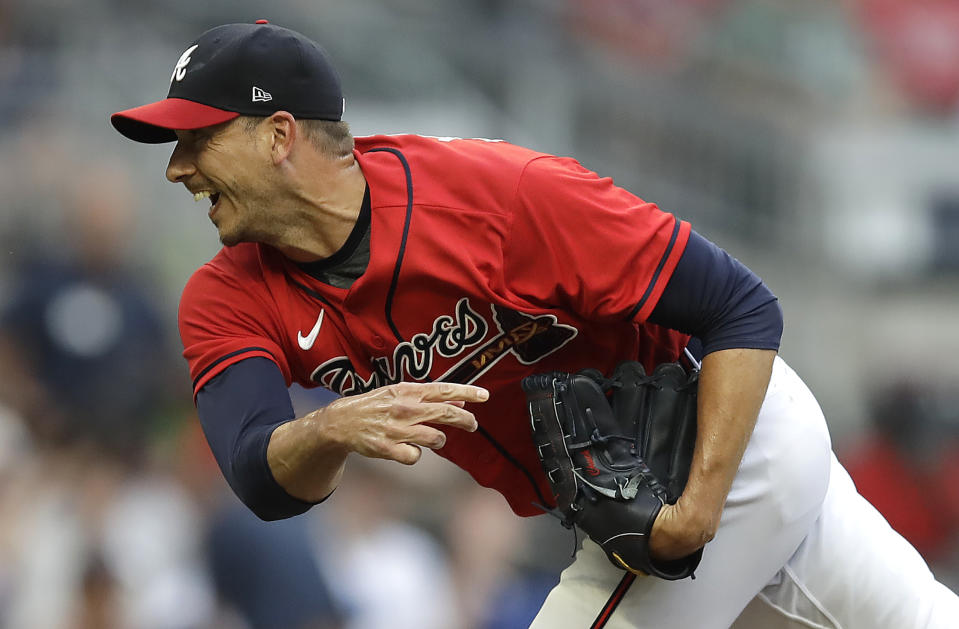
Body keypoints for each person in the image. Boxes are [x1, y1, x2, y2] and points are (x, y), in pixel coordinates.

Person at [110, 21, 959, 628]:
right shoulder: (226, 296)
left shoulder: (496, 194)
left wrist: (700, 506)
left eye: (197, 138)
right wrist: (329, 426)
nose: (179, 166)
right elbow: (260, 476)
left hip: (724, 447)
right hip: (638, 497)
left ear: (278, 135)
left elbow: (740, 306)